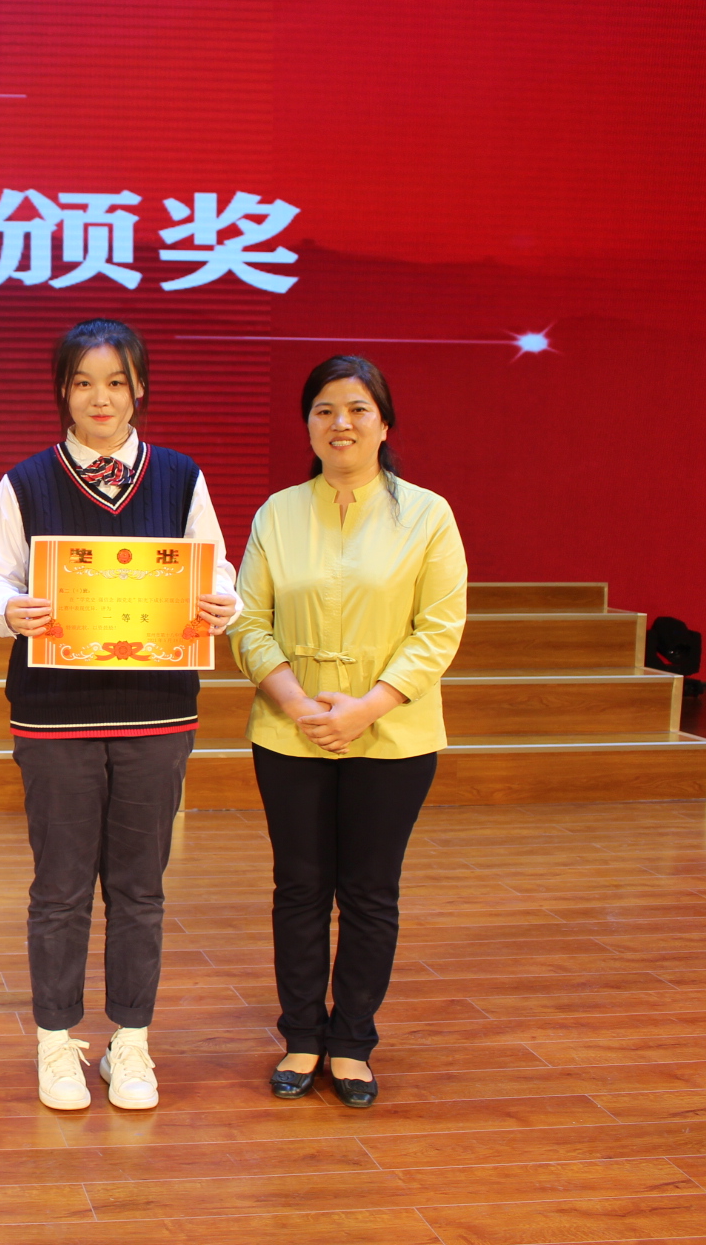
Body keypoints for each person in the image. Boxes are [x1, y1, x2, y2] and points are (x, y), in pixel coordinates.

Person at [0, 318, 241, 1111]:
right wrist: (9, 607)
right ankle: (56, 1043)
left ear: (139, 389)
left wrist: (222, 602)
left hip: (158, 711)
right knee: (59, 887)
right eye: (84, 382)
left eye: (116, 382)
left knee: (140, 887)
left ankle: (131, 1042)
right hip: (55, 713)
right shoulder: (26, 482)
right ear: (63, 390)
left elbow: (217, 568)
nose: (101, 398)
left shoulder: (180, 477)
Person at [229, 354, 466, 1108]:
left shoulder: (428, 515)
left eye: (359, 409)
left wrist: (365, 707)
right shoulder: (277, 514)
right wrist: (298, 701)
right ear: (308, 424)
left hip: (393, 734)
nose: (342, 423)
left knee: (369, 892)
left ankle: (353, 1041)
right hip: (289, 731)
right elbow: (247, 621)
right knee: (299, 887)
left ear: (384, 423)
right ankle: (302, 1035)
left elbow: (439, 629)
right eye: (325, 409)